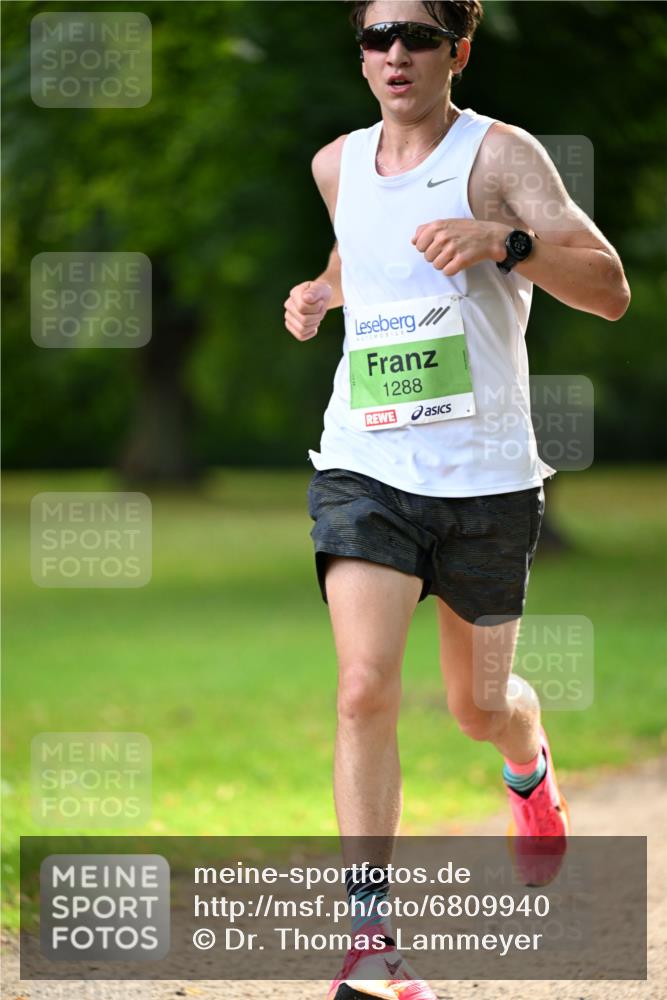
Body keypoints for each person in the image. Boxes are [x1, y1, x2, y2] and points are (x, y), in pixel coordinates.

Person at [283, 2, 630, 998]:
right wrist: (323, 291)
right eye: (377, 37)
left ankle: (527, 760)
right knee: (362, 686)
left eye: (419, 37)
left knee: (477, 708)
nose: (395, 54)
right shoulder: (335, 165)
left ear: (456, 51)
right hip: (365, 462)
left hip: (484, 479)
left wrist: (503, 241)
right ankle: (370, 940)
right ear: (360, 55)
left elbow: (607, 288)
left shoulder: (501, 155)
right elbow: (358, 252)